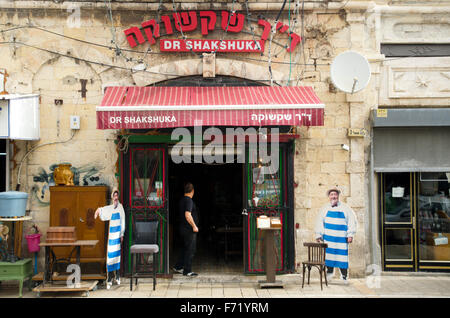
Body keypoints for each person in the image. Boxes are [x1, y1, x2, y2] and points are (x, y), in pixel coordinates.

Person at [314, 187, 357, 283]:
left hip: (341, 239)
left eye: (335, 194)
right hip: (329, 239)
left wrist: (350, 235)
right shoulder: (324, 209)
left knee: (342, 257)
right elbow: (319, 222)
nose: (333, 196)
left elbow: (351, 221)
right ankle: (329, 274)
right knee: (329, 257)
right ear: (329, 196)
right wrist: (318, 234)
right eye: (331, 194)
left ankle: (344, 276)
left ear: (338, 196)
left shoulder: (346, 208)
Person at [95, 187, 126, 289]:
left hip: (117, 236)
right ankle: (109, 277)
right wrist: (98, 211)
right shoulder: (111, 207)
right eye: (114, 195)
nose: (115, 197)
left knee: (117, 255)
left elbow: (123, 221)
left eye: (117, 195)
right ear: (112, 197)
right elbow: (103, 210)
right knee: (110, 256)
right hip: (111, 236)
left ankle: (117, 276)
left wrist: (122, 234)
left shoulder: (120, 208)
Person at [173, 182, 199, 277]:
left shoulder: (182, 200)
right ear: (192, 191)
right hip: (188, 230)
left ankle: (178, 266)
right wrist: (194, 226)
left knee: (184, 248)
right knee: (190, 250)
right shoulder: (189, 201)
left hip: (182, 228)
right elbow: (188, 215)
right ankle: (187, 270)